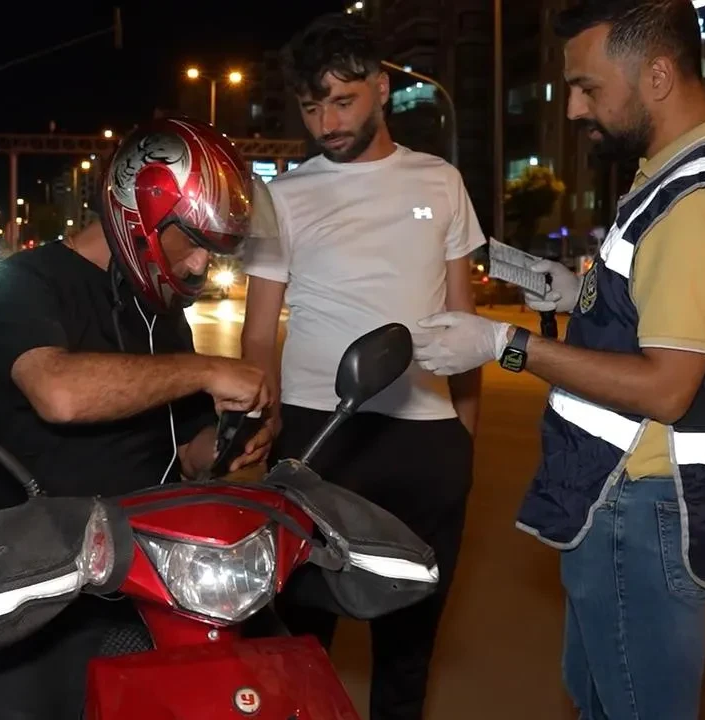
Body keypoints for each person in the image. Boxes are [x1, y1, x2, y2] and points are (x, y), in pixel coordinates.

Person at [412, 2, 705, 717]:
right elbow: (685, 312)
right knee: (600, 697)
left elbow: (666, 388)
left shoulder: (696, 203)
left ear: (658, 75)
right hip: (641, 499)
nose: (572, 108)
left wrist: (505, 345)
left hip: (643, 506)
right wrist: (583, 292)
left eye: (589, 87)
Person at [0, 117, 272, 720]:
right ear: (141, 213)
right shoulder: (22, 282)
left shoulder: (161, 314)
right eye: (195, 244)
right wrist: (207, 371)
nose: (199, 269)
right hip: (40, 582)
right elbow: (59, 391)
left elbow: (183, 454)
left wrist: (233, 445)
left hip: (148, 575)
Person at [239, 13, 484, 720]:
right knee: (301, 642)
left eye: (341, 100)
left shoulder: (440, 182)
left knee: (409, 651)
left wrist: (462, 438)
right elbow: (260, 332)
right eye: (312, 106)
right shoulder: (282, 195)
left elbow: (462, 325)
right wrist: (268, 422)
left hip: (426, 442)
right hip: (321, 439)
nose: (326, 121)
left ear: (380, 88)